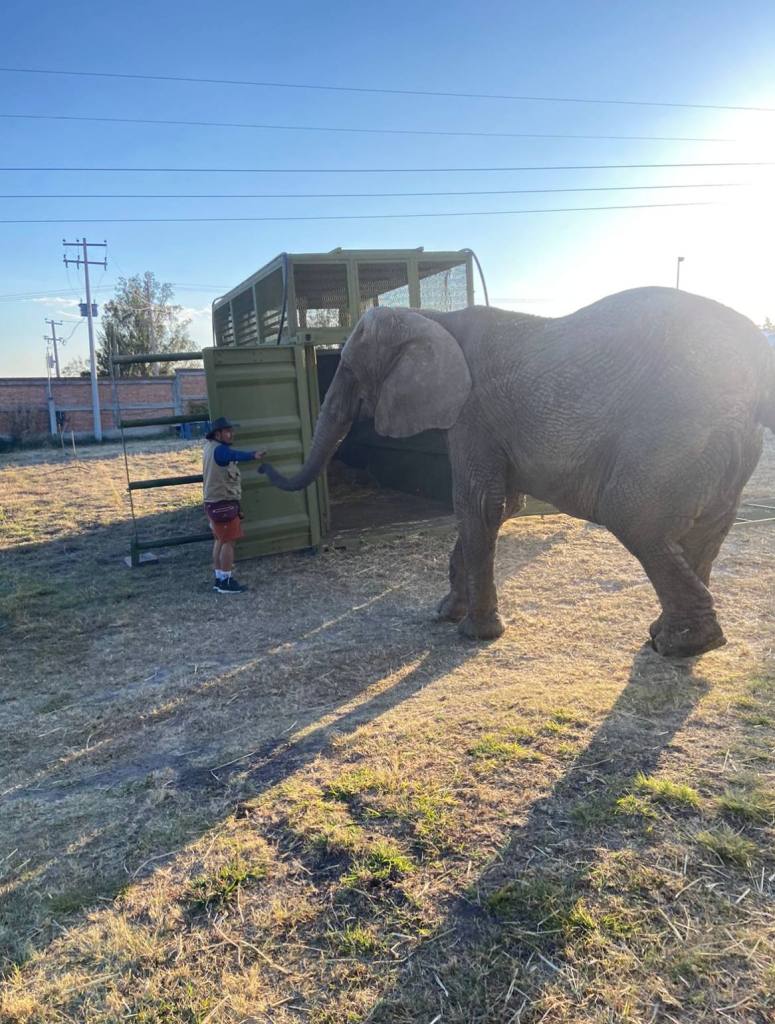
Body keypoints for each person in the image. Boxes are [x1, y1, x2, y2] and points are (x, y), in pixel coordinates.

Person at [202, 416, 265, 593]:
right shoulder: (220, 451)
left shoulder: (209, 448)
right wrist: (253, 455)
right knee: (229, 542)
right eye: (228, 431)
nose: (231, 434)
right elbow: (233, 455)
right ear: (218, 434)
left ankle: (219, 578)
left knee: (220, 540)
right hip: (223, 504)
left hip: (212, 503)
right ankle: (226, 581)